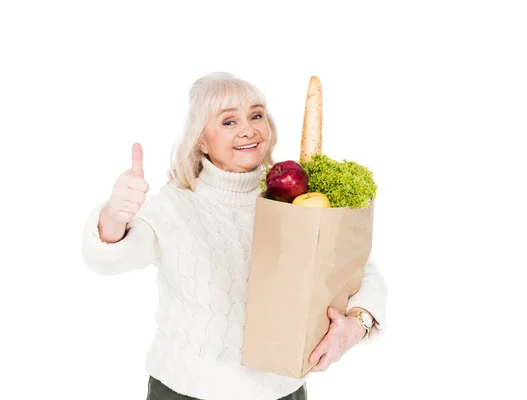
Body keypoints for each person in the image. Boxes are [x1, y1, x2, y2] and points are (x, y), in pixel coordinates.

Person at [81, 72, 388, 400]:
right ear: (201, 139)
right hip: (186, 392)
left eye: (256, 115)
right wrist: (114, 215)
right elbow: (110, 259)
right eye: (229, 122)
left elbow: (356, 269)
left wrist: (357, 325)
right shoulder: (174, 205)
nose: (248, 129)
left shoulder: (294, 199)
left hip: (282, 392)